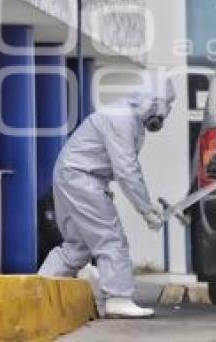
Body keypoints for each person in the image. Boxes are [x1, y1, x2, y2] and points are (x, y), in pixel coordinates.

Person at [38, 76, 176, 318]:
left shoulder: (127, 119)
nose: (166, 113)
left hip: (74, 177)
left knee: (77, 247)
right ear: (153, 102)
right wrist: (145, 209)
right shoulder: (122, 119)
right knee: (111, 239)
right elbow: (126, 169)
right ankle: (118, 298)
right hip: (82, 179)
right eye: (166, 105)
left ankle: (37, 291)